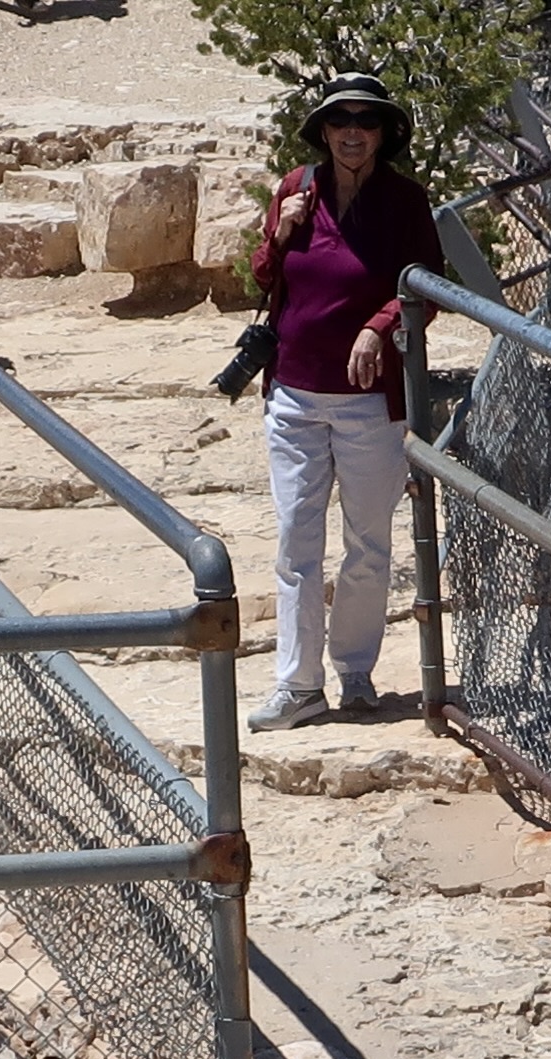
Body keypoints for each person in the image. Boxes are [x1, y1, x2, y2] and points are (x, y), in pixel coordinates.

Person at [245, 70, 429, 730]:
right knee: (297, 540)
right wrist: (279, 230)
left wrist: (379, 327)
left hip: (369, 403)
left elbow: (425, 286)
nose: (353, 131)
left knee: (367, 543)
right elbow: (264, 277)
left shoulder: (405, 201)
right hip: (294, 393)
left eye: (367, 120)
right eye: (341, 120)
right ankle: (298, 686)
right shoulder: (297, 189)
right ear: (323, 131)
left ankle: (354, 673)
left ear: (382, 133)